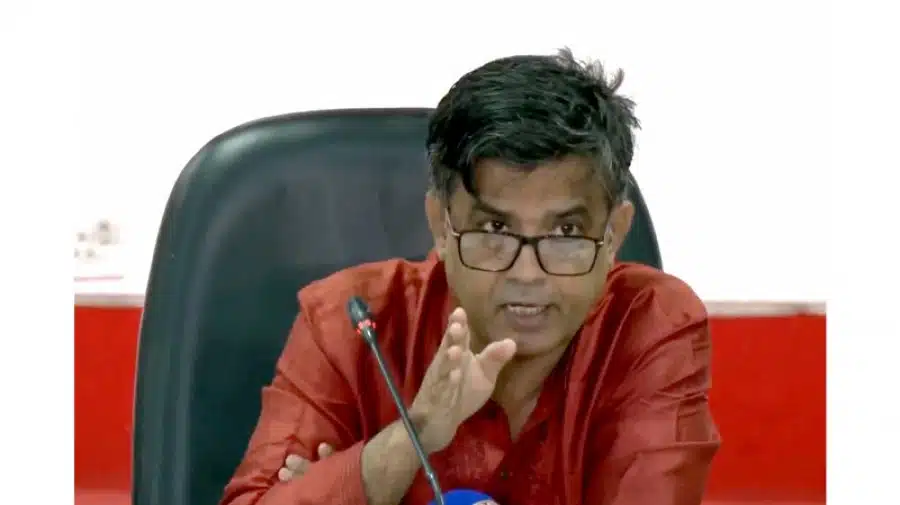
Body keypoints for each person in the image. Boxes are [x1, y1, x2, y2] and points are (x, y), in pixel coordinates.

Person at [219, 48, 720, 505]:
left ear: (613, 235)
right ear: (441, 226)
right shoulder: (350, 322)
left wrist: (354, 491)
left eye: (565, 232)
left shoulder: (649, 325)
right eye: (495, 229)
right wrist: (409, 439)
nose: (528, 273)